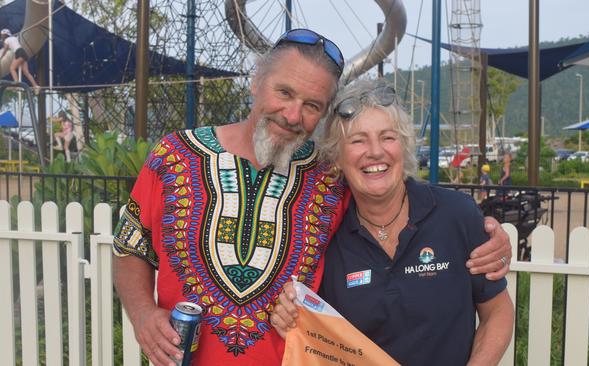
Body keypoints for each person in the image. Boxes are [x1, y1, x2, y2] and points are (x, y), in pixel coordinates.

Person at [112, 29, 512, 366]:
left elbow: (393, 201)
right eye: (283, 92)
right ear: (255, 82)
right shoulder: (172, 157)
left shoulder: (328, 178)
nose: (292, 114)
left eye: (311, 106)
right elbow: (130, 248)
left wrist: (488, 237)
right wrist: (143, 313)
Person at [271, 79, 514, 365]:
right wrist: (287, 313)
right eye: (358, 140)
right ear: (336, 158)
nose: (375, 151)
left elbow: (497, 311)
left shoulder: (456, 215)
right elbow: (313, 329)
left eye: (387, 137)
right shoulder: (323, 233)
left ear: (404, 146)